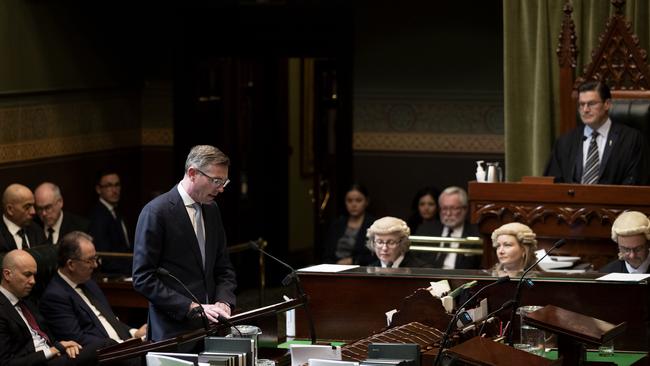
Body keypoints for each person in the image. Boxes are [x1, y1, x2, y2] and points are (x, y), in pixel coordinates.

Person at [132, 145, 237, 342]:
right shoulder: (157, 212)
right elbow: (143, 278)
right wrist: (190, 307)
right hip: (173, 333)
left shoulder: (212, 210)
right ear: (192, 173)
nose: (221, 188)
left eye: (224, 182)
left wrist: (224, 300)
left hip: (212, 329)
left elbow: (224, 268)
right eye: (216, 181)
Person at [39, 231, 146, 349]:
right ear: (71, 264)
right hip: (106, 355)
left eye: (95, 258)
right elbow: (77, 339)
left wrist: (134, 333)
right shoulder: (55, 296)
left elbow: (110, 319)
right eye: (89, 260)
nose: (95, 265)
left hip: (123, 346)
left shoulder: (89, 283)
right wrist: (120, 345)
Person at [0, 249, 98, 366]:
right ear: (7, 274)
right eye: (27, 275)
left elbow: (45, 335)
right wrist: (53, 350)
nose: (33, 281)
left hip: (54, 356)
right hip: (38, 362)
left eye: (34, 275)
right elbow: (5, 363)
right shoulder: (2, 309)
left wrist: (64, 347)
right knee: (105, 347)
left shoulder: (27, 301)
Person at [544, 80, 648, 185]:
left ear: (607, 104)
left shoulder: (631, 140)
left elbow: (636, 183)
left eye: (591, 104)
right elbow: (552, 184)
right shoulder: (565, 142)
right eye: (581, 104)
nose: (585, 110)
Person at [416, 186, 481, 269]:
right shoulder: (425, 230)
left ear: (465, 209)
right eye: (444, 208)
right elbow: (416, 260)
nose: (448, 213)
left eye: (453, 208)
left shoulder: (476, 234)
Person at [87, 171, 131, 274]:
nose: (115, 190)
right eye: (109, 186)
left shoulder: (118, 210)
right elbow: (105, 256)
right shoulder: (97, 217)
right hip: (114, 274)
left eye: (117, 185)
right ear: (98, 189)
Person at [322, 184, 375, 266]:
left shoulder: (373, 225)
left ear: (366, 202)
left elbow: (375, 255)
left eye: (358, 200)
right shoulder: (337, 224)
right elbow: (327, 254)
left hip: (360, 269)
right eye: (349, 200)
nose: (353, 205)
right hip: (334, 268)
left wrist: (353, 260)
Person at [0, 184, 45, 253]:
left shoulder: (37, 231)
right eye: (27, 207)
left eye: (33, 206)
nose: (33, 212)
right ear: (10, 210)